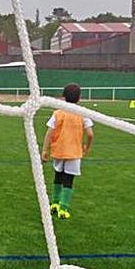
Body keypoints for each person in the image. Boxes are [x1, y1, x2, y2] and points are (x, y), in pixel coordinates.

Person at [41, 84, 94, 220]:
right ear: (79, 98)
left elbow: (49, 132)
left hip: (59, 151)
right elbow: (90, 134)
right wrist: (87, 148)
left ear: (63, 97)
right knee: (68, 180)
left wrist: (45, 150)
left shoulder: (58, 113)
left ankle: (55, 204)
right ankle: (63, 209)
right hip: (74, 153)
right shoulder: (82, 113)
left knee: (58, 177)